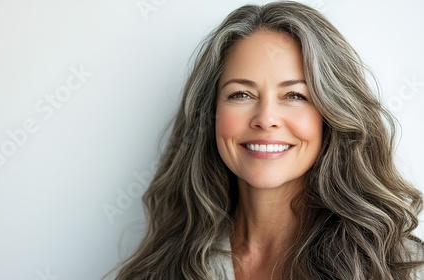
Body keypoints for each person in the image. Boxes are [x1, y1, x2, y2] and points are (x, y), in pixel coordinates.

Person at [110, 1, 424, 279]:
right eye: (241, 94)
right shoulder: (161, 268)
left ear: (331, 115)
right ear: (211, 114)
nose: (265, 118)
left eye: (295, 95)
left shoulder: (399, 267)